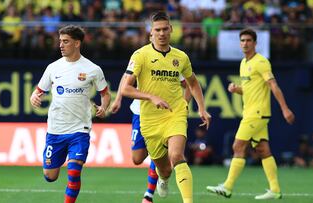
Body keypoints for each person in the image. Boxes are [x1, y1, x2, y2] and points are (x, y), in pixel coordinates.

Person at [121, 11, 211, 203]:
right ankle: (163, 178)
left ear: (171, 30)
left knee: (177, 155)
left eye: (165, 29)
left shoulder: (181, 57)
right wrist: (151, 97)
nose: (161, 33)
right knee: (164, 168)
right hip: (149, 119)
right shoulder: (141, 55)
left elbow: (193, 83)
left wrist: (202, 108)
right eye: (157, 30)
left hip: (175, 113)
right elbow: (125, 89)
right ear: (150, 33)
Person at [207, 28, 295, 200]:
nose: (245, 43)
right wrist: (236, 89)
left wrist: (285, 108)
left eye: (248, 40)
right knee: (263, 149)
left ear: (255, 43)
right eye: (242, 40)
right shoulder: (243, 63)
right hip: (252, 113)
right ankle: (275, 189)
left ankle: (227, 186)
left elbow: (273, 86)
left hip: (257, 114)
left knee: (237, 147)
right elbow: (249, 90)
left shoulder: (261, 62)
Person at [30, 25, 111, 203]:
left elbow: (105, 94)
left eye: (65, 41)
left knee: (74, 171)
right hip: (55, 129)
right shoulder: (53, 68)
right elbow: (37, 92)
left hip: (79, 129)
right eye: (60, 41)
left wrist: (104, 107)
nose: (61, 45)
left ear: (77, 43)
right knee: (50, 176)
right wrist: (34, 98)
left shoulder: (92, 69)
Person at [110, 73, 190, 203]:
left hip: (164, 115)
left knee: (161, 149)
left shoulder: (172, 59)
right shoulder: (140, 56)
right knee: (137, 158)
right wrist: (118, 99)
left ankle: (149, 194)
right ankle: (162, 173)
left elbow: (189, 84)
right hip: (140, 112)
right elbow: (126, 78)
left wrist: (183, 106)